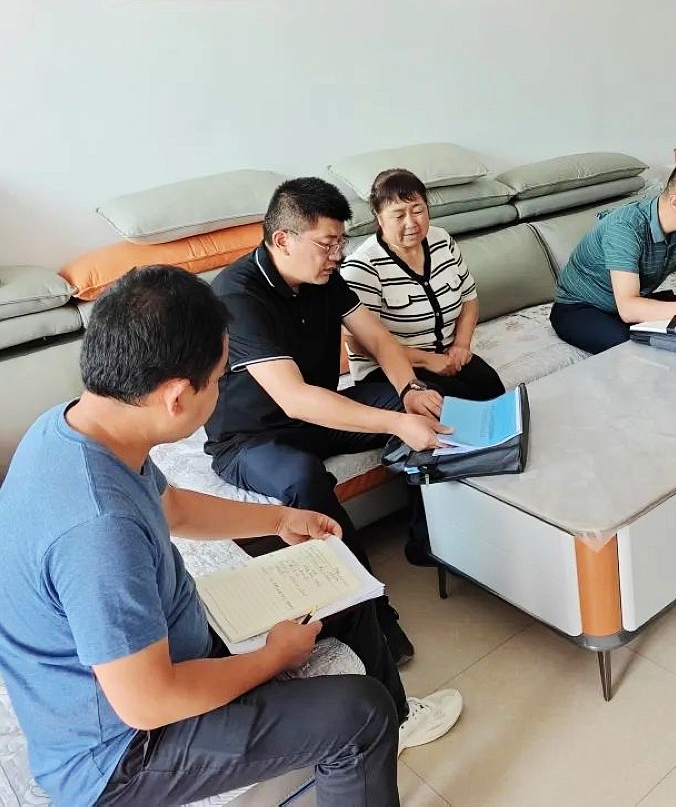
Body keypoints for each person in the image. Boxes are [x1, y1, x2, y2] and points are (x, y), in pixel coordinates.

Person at [0, 266, 462, 807]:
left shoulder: (79, 425)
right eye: (220, 380)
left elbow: (172, 506)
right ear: (176, 397)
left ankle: (395, 727)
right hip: (122, 756)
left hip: (173, 648)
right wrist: (275, 657)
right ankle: (372, 734)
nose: (221, 393)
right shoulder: (99, 530)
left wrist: (279, 520)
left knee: (342, 589)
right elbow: (149, 704)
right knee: (361, 713)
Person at [204, 177, 447, 663]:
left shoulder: (323, 277)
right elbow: (294, 399)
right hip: (250, 439)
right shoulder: (236, 296)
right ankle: (372, 611)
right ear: (282, 240)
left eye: (340, 242)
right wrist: (395, 424)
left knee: (425, 401)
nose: (338, 255)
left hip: (316, 412)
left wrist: (410, 391)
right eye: (327, 244)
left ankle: (433, 540)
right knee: (303, 477)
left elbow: (377, 339)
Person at [341, 168, 505, 402]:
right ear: (379, 218)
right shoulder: (362, 266)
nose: (411, 223)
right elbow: (358, 343)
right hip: (389, 366)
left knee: (490, 386)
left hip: (446, 354)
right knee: (449, 400)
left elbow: (469, 300)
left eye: (418, 210)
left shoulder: (442, 241)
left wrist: (461, 345)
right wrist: (427, 360)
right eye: (399, 215)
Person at [550, 155, 676, 354]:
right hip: (580, 307)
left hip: (628, 304)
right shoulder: (625, 228)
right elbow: (628, 309)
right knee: (634, 349)